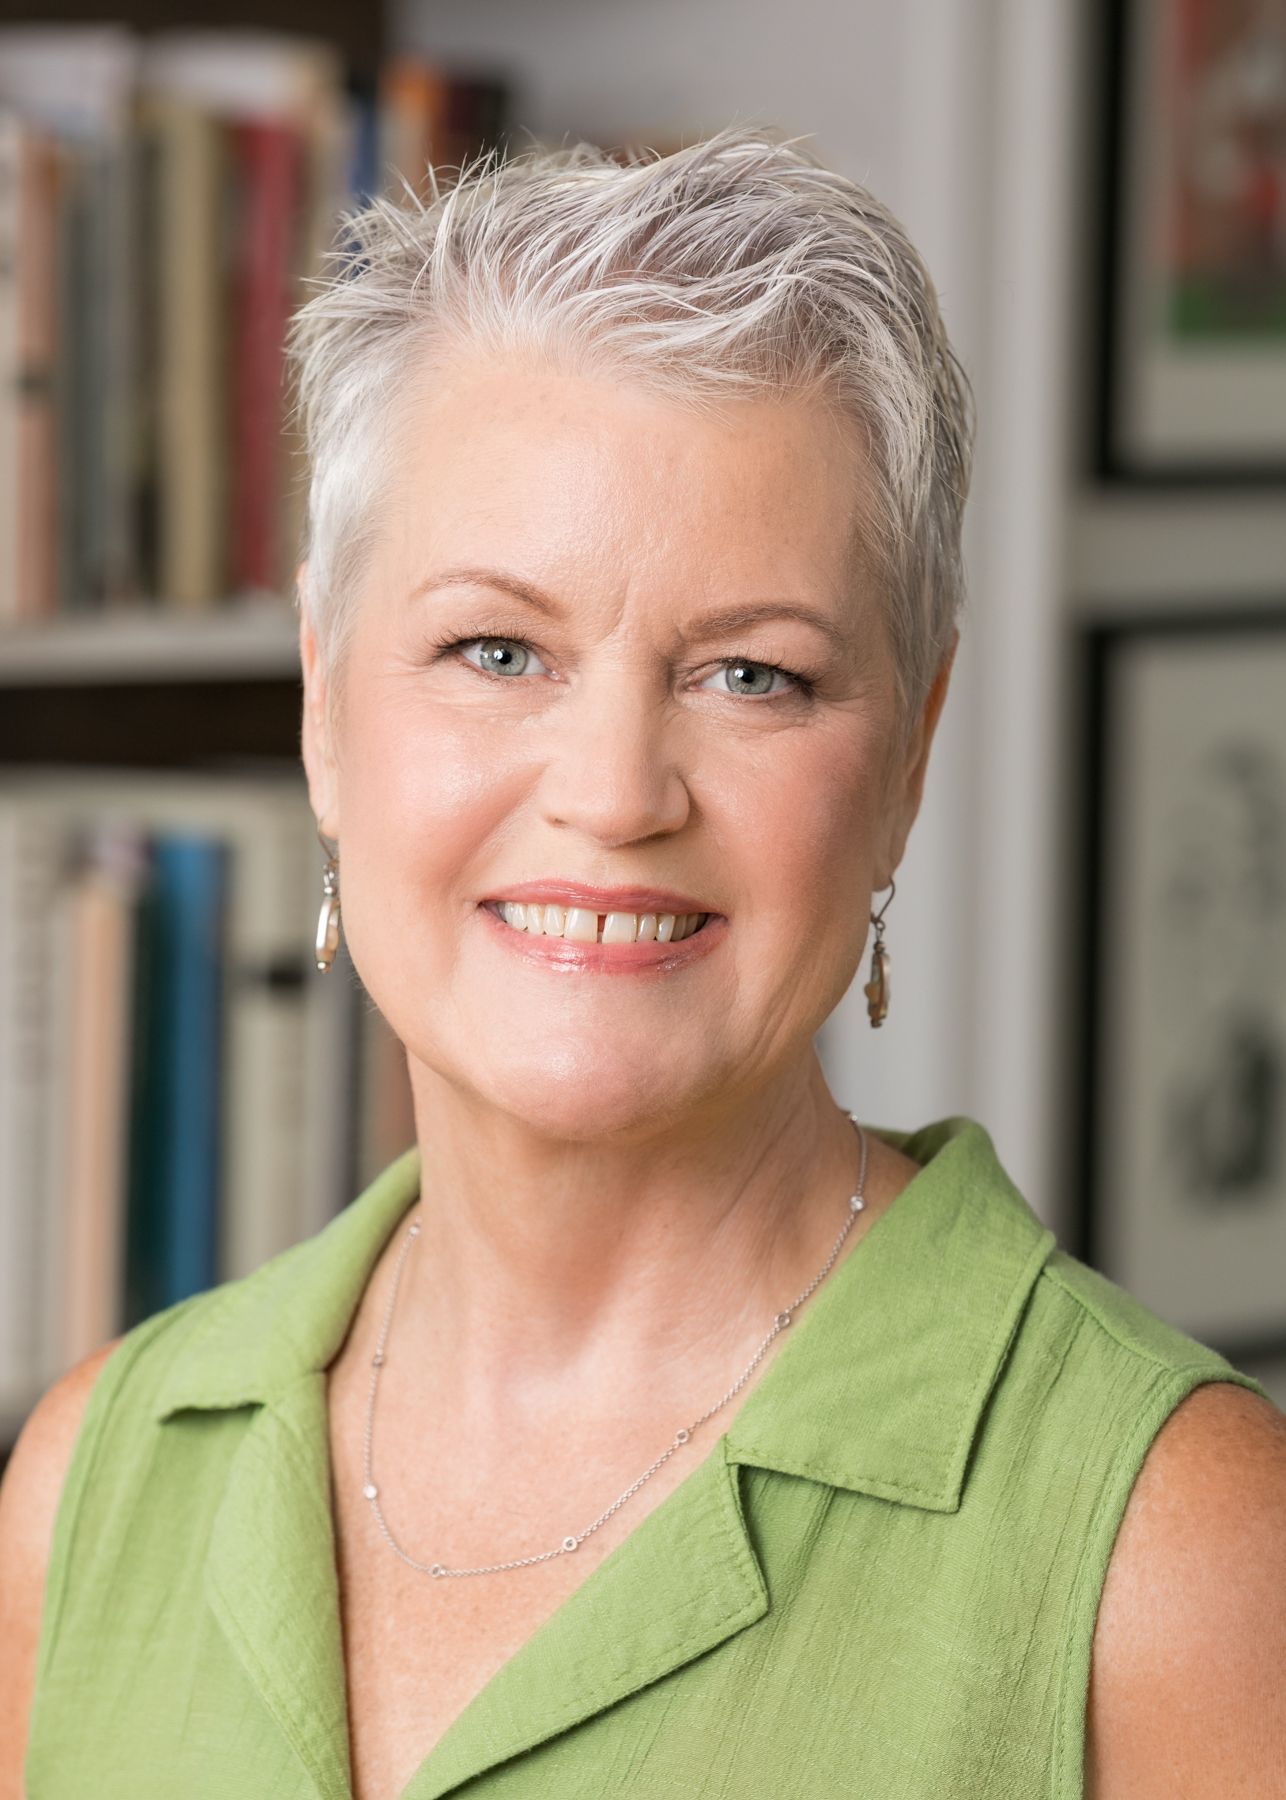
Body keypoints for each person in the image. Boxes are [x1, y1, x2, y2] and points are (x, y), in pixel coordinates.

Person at [2, 131, 1284, 1800]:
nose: (612, 792)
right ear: (324, 703)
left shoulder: (1177, 1556)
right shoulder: (94, 1484)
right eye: (495, 649)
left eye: (751, 674)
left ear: (908, 752)